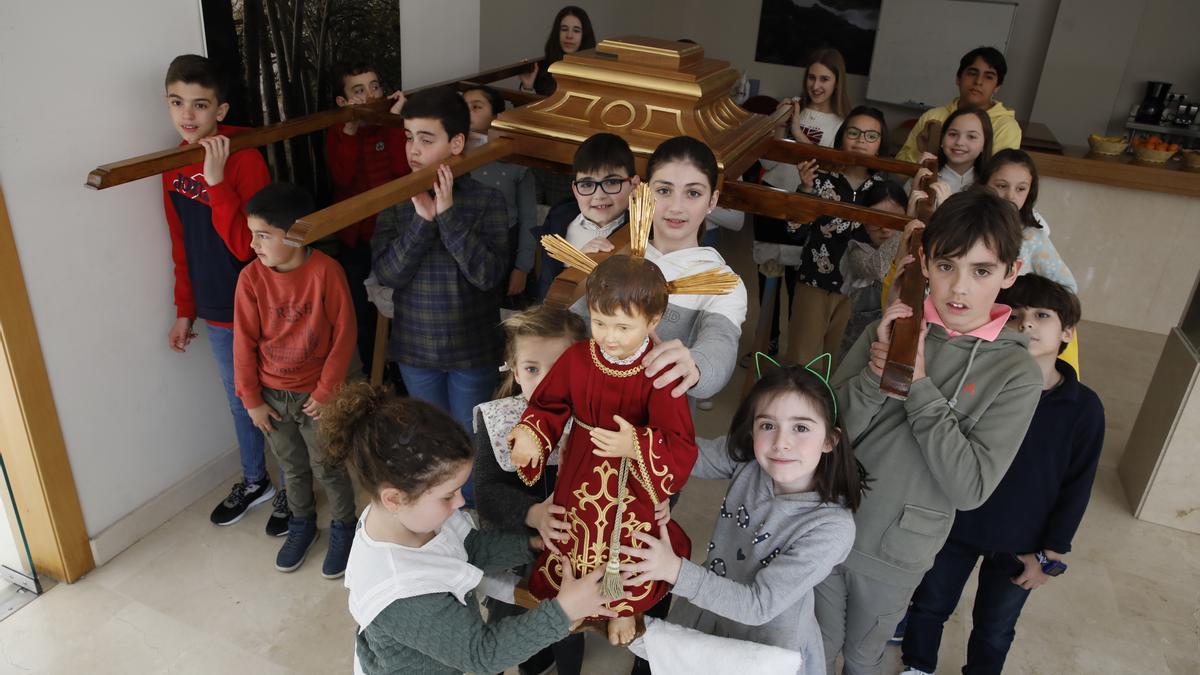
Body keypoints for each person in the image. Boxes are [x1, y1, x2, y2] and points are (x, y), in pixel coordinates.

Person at [816, 187, 1044, 675]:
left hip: (897, 551)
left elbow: (970, 487)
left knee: (863, 657)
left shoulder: (1017, 373)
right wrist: (876, 379)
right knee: (809, 646)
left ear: (1010, 273)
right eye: (946, 266)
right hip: (826, 522)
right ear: (924, 264)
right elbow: (820, 437)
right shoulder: (896, 324)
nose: (960, 288)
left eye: (981, 271)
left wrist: (917, 385)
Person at [509, 188, 740, 646]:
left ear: (654, 320)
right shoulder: (578, 358)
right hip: (581, 468)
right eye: (599, 322)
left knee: (625, 546)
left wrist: (634, 444)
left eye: (623, 327)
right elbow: (550, 404)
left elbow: (680, 442)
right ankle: (573, 603)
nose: (609, 337)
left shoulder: (659, 371)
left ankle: (622, 607)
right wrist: (534, 436)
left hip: (633, 481)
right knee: (576, 534)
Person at [325, 382, 621, 675]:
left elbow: (469, 548)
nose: (461, 501)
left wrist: (531, 544)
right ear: (394, 498)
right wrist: (563, 611)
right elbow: (483, 653)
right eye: (448, 495)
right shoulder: (401, 593)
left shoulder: (407, 514)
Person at [900, 275, 1103, 675]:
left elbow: (1077, 486)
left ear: (1067, 331)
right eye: (1017, 316)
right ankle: (917, 666)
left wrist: (1051, 555)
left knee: (995, 628)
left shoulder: (1083, 408)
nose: (1027, 325)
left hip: (1021, 542)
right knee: (928, 606)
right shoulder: (981, 382)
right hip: (957, 524)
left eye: (1042, 316)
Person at [621, 357, 865, 675]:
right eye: (767, 425)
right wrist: (640, 443)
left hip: (763, 645)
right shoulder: (748, 462)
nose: (781, 443)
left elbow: (759, 605)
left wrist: (675, 571)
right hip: (708, 611)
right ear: (752, 430)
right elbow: (684, 456)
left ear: (830, 440)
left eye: (801, 427)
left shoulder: (831, 528)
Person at [161, 54, 288, 536]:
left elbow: (244, 245)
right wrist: (184, 311)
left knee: (275, 397)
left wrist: (215, 182)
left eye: (200, 104)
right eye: (177, 102)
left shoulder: (245, 156)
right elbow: (181, 246)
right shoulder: (170, 166)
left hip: (259, 302)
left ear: (221, 108)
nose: (187, 114)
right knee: (240, 400)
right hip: (214, 309)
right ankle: (256, 482)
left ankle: (295, 490)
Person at [370, 87, 509, 507]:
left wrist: (447, 218)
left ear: (457, 143)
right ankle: (439, 521)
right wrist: (420, 222)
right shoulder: (395, 199)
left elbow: (488, 276)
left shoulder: (488, 201)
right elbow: (389, 274)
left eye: (426, 139)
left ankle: (471, 521)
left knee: (469, 444)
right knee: (429, 444)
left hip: (473, 350)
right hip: (416, 349)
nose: (413, 149)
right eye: (409, 137)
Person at [232, 183, 359, 577]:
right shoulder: (251, 280)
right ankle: (301, 524)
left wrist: (326, 391)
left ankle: (344, 527)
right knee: (292, 466)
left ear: (297, 234)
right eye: (252, 233)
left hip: (318, 396)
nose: (253, 244)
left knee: (328, 466)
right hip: (272, 396)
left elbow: (345, 335)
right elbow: (243, 343)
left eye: (263, 235)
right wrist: (251, 399)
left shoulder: (326, 272)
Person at [473, 306, 589, 675]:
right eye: (532, 369)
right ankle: (533, 663)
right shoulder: (497, 420)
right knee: (518, 618)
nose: (545, 382)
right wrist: (533, 513)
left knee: (571, 624)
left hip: (577, 551)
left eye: (560, 370)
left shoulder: (596, 421)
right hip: (516, 547)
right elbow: (487, 491)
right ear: (514, 367)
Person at [784, 107, 891, 369]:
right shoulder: (820, 178)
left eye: (870, 136)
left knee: (840, 361)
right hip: (814, 281)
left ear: (880, 144)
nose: (860, 141)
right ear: (842, 136)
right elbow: (794, 232)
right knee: (802, 360)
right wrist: (806, 190)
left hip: (858, 289)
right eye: (853, 132)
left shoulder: (883, 188)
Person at [325, 61, 410, 375]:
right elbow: (343, 178)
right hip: (357, 238)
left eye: (375, 87)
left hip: (394, 236)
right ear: (343, 102)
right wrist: (349, 130)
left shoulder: (392, 125)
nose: (370, 95)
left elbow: (403, 172)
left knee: (399, 306)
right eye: (358, 90)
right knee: (362, 311)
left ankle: (403, 372)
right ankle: (377, 373)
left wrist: (394, 121)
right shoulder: (338, 133)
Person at [533, 132, 637, 303]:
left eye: (611, 182)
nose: (599, 195)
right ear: (575, 189)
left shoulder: (644, 233)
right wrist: (576, 266)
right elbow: (545, 289)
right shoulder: (558, 222)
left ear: (633, 185)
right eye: (587, 185)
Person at [462, 84, 539, 307]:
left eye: (476, 107)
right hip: (464, 250)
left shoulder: (514, 160)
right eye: (463, 107)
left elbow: (528, 219)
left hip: (505, 250)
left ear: (495, 116)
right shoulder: (450, 155)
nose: (468, 114)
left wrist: (522, 268)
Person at [897, 47, 1021, 163]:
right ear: (958, 78)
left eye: (988, 77)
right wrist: (920, 151)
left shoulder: (1006, 127)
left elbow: (999, 178)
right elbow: (899, 173)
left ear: (997, 87)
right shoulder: (933, 116)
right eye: (972, 73)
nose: (978, 82)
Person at [980, 149, 1077, 292]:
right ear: (983, 184)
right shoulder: (963, 226)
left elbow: (1068, 290)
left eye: (1021, 189)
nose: (1010, 196)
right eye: (1001, 186)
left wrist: (1022, 301)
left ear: (1029, 192)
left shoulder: (1032, 238)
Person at [837, 180, 909, 359]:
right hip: (858, 340)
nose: (884, 229)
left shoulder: (910, 252)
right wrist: (904, 227)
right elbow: (878, 267)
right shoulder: (857, 250)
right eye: (877, 220)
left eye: (893, 220)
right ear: (864, 221)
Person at [519, 5, 596, 96]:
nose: (569, 35)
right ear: (557, 33)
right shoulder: (541, 70)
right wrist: (527, 87)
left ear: (584, 36)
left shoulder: (596, 71)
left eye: (576, 30)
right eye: (564, 29)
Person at [783, 48, 850, 147]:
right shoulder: (794, 108)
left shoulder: (842, 125)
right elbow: (769, 160)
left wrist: (797, 133)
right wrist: (779, 123)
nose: (815, 86)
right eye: (811, 77)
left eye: (824, 79)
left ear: (837, 83)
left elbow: (826, 161)